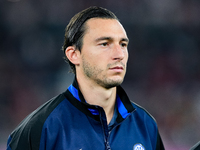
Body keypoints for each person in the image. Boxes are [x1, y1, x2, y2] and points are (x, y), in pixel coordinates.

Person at [7, 6, 165, 150]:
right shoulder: (41, 128)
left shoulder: (145, 124)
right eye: (105, 44)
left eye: (123, 44)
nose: (119, 55)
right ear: (74, 55)